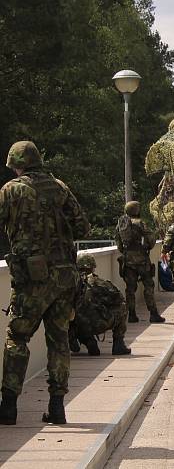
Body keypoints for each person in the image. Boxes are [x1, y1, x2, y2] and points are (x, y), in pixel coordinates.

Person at [0, 141, 90, 426]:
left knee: (17, 336)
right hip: (65, 277)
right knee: (59, 339)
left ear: (17, 164)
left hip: (31, 279)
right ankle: (57, 406)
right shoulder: (60, 187)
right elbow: (82, 228)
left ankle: (9, 407)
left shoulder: (11, 190)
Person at [70, 253, 130, 356]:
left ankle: (88, 341)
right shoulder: (99, 283)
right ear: (93, 267)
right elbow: (118, 299)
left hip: (78, 328)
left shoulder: (70, 284)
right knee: (123, 306)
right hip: (99, 325)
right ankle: (118, 345)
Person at [115, 201, 165, 324]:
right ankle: (153, 314)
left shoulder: (121, 225)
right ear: (137, 210)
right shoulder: (140, 223)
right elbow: (151, 239)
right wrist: (146, 247)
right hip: (142, 260)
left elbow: (119, 245)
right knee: (148, 286)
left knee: (130, 289)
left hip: (128, 260)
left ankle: (131, 314)